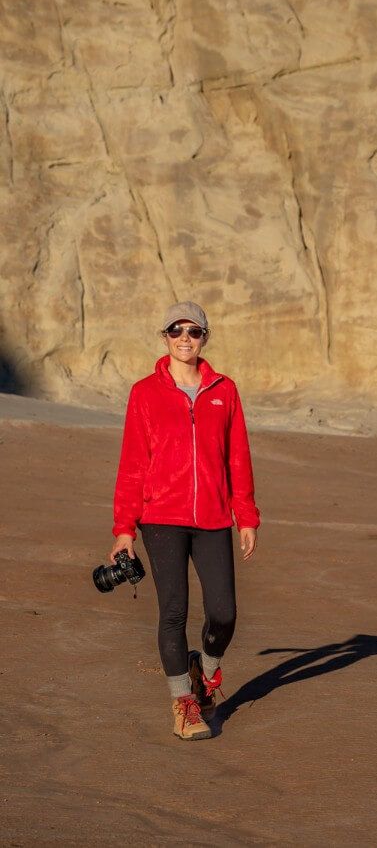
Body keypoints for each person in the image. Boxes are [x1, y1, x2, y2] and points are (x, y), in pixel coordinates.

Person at [111, 300, 259, 740]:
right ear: (164, 337)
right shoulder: (145, 392)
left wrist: (245, 516)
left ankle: (206, 670)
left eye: (193, 332)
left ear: (204, 338)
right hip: (161, 518)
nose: (184, 338)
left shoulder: (224, 390)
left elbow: (238, 457)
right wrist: (124, 529)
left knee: (224, 613)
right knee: (173, 611)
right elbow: (133, 464)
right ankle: (184, 705)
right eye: (176, 330)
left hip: (213, 516)